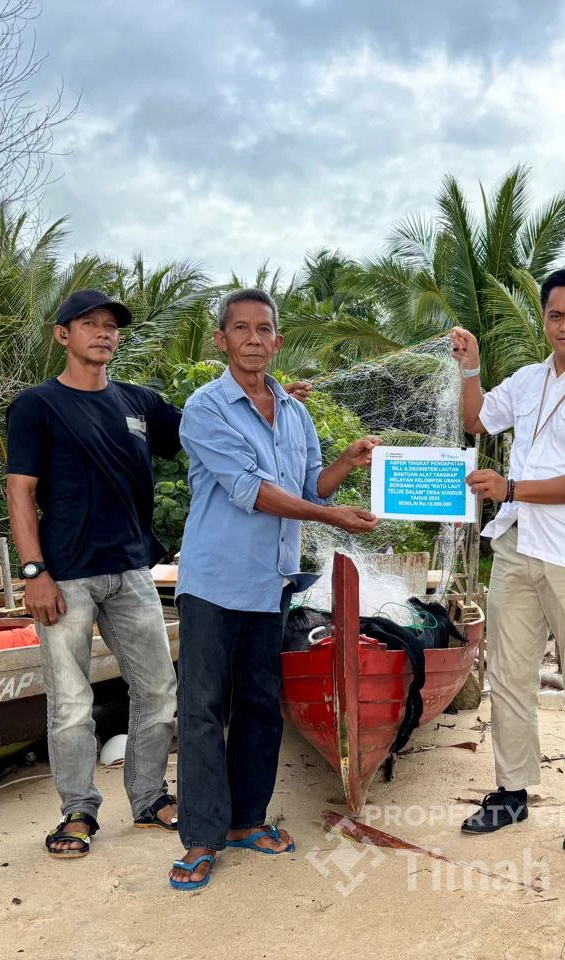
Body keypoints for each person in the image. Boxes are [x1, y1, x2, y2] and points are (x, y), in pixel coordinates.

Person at [167, 288, 380, 891]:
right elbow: (251, 490)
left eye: (264, 328)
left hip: (271, 582)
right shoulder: (205, 409)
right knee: (203, 709)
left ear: (278, 341)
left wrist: (347, 461)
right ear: (222, 340)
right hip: (214, 581)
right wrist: (330, 518)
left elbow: (311, 485)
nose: (254, 339)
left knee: (261, 705)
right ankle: (201, 837)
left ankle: (245, 821)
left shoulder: (294, 412)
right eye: (241, 328)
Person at [452, 267, 565, 854]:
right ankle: (511, 791)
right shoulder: (529, 380)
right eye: (555, 315)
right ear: (543, 319)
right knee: (508, 674)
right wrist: (471, 369)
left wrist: (512, 488)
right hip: (517, 545)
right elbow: (476, 419)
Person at [6, 290, 183, 859]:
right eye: (89, 324)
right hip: (64, 577)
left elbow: (205, 433)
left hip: (132, 571)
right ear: (63, 334)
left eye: (111, 325)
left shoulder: (140, 403)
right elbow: (20, 491)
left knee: (158, 690)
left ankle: (149, 798)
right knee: (70, 701)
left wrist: (264, 399)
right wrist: (34, 571)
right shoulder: (37, 405)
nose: (104, 332)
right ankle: (78, 810)